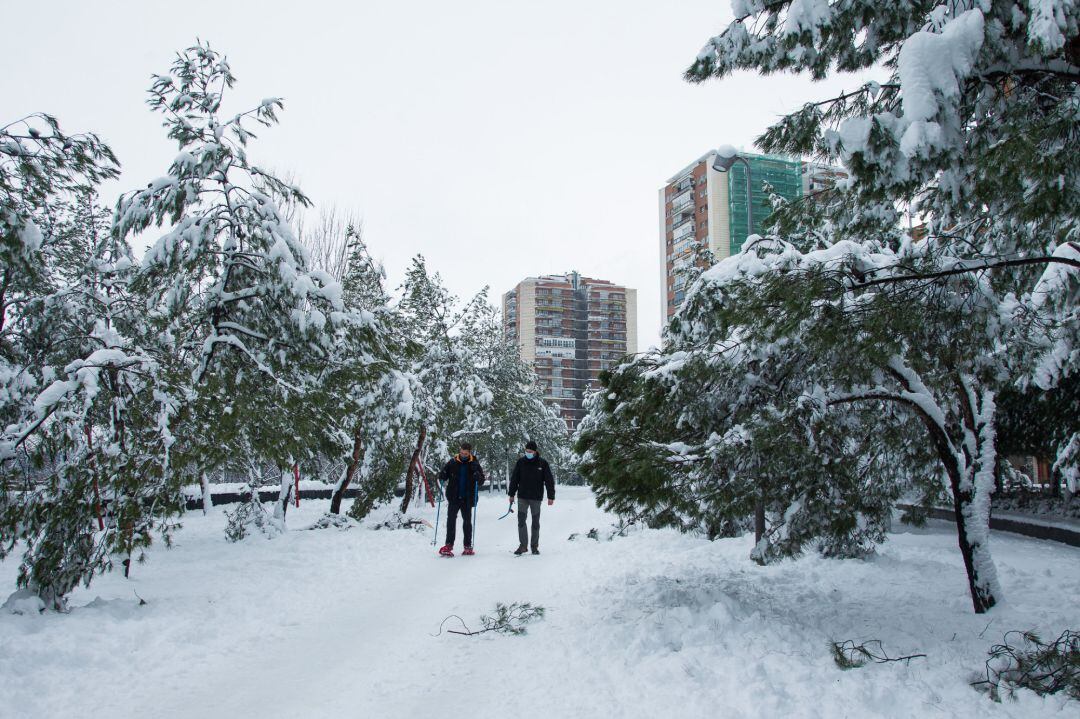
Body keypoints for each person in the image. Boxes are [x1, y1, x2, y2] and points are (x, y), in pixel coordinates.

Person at [437, 442, 486, 557]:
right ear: (460, 451)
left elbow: (481, 480)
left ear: (470, 453)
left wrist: (478, 477)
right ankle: (448, 545)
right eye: (462, 453)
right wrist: (443, 474)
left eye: (465, 453)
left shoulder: (474, 463)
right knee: (451, 521)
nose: (463, 455)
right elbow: (443, 475)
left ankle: (468, 546)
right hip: (454, 497)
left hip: (467, 498)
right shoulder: (453, 462)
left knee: (467, 522)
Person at [508, 440, 555, 555]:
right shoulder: (521, 462)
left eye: (530, 451)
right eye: (526, 451)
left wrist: (551, 496)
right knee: (521, 522)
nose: (528, 453)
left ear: (535, 451)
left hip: (536, 497)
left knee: (535, 522)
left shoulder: (542, 463)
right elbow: (514, 479)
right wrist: (511, 494)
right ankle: (523, 546)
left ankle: (534, 546)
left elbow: (549, 480)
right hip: (522, 497)